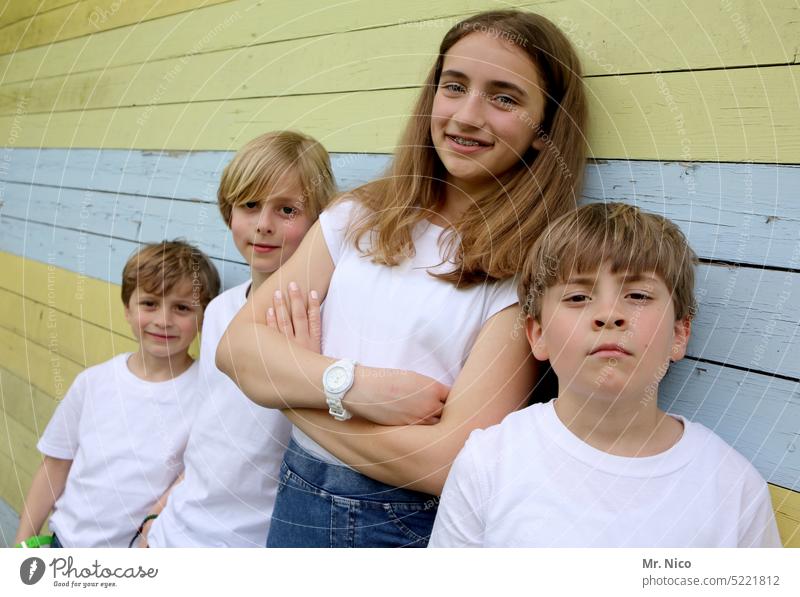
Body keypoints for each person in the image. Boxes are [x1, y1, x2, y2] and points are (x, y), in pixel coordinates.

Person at [217, 10, 587, 547]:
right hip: (296, 488)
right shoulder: (357, 215)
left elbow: (442, 463)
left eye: (504, 97)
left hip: (396, 524)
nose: (467, 115)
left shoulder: (528, 269)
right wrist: (355, 387)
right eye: (454, 86)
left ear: (544, 130)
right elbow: (236, 349)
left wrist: (294, 393)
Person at [428, 202, 782, 547]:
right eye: (579, 297)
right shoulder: (488, 462)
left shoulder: (733, 489)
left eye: (639, 295)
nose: (609, 314)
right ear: (538, 335)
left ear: (679, 335)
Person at [145, 131, 335, 547]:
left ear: (319, 222)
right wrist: (160, 511)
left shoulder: (321, 323)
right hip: (173, 529)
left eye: (287, 209)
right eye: (249, 205)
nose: (263, 224)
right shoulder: (219, 311)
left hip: (244, 544)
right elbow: (212, 429)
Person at [14, 241, 220, 548]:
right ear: (127, 309)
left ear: (203, 318)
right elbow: (55, 466)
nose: (163, 320)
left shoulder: (207, 395)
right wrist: (21, 544)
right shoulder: (94, 382)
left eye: (182, 308)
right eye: (149, 303)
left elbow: (198, 476)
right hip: (64, 545)